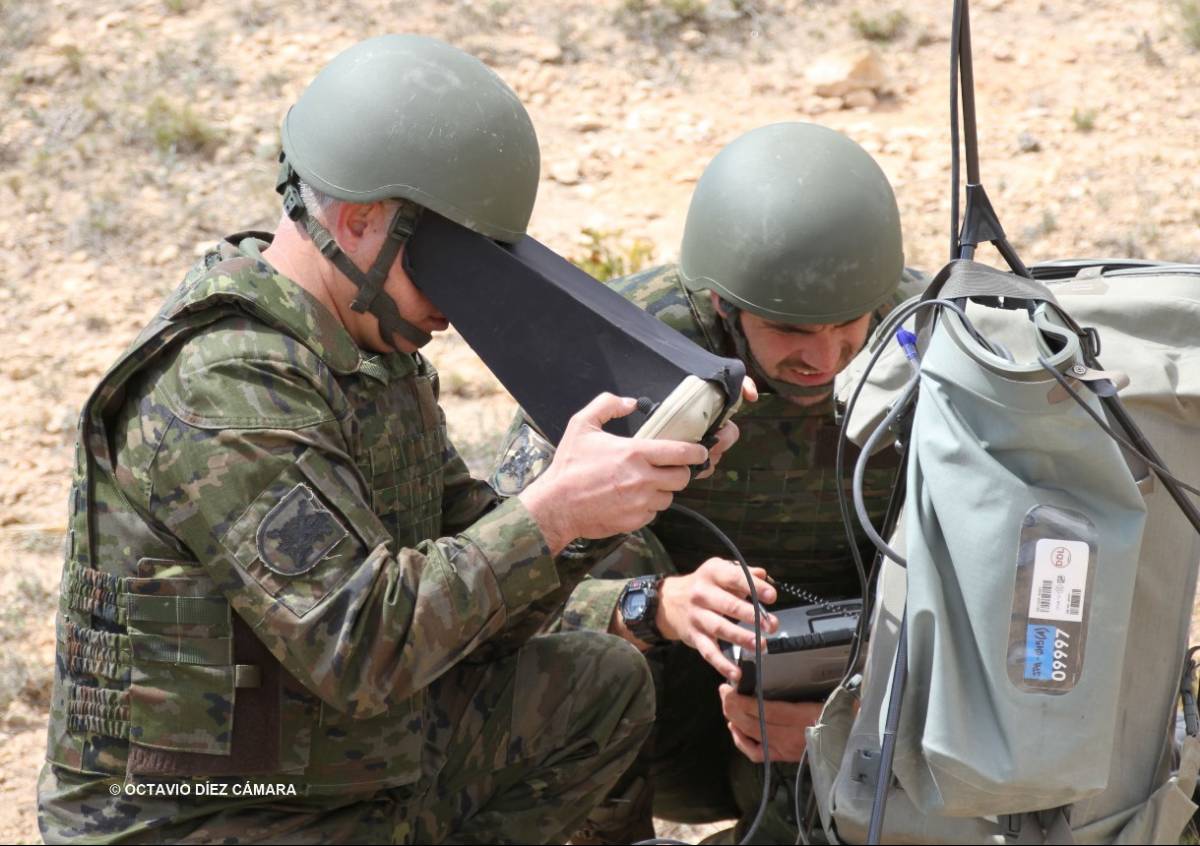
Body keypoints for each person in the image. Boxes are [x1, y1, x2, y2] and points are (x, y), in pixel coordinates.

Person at [37, 34, 740, 844]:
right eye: (447, 263)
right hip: (205, 812)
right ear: (360, 221)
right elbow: (359, 648)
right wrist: (555, 515)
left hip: (334, 767)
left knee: (596, 686)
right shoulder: (225, 385)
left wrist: (610, 498)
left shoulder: (367, 355)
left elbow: (470, 569)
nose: (461, 303)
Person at [490, 121, 926, 843]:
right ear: (724, 305)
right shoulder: (620, 353)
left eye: (848, 323)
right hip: (670, 705)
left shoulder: (937, 339)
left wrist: (861, 705)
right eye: (790, 329)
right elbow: (501, 583)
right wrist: (654, 605)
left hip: (876, 692)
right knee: (604, 546)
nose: (824, 357)